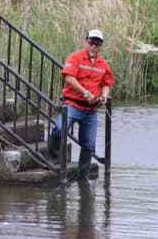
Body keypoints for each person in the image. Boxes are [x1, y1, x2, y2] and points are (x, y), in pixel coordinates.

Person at [48, 29, 115, 180]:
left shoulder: (103, 64)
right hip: (72, 104)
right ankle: (52, 157)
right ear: (85, 42)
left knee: (89, 143)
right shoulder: (75, 57)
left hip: (91, 110)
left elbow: (106, 84)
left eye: (97, 44)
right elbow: (70, 79)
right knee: (59, 129)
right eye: (91, 42)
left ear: (101, 46)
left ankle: (83, 176)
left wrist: (103, 97)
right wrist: (86, 94)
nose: (93, 46)